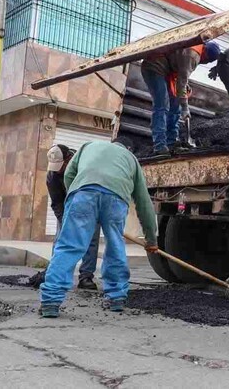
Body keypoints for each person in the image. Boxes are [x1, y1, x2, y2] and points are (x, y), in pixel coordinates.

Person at [40, 136, 158, 318]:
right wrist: (151, 239)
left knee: (69, 246)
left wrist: (76, 200)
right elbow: (144, 203)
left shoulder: (88, 146)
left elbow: (70, 174)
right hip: (116, 200)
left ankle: (51, 300)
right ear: (128, 149)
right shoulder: (131, 160)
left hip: (83, 194)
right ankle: (116, 298)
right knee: (115, 246)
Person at [140, 41, 221, 155]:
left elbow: (181, 75)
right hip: (154, 66)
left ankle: (171, 143)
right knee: (162, 105)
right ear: (206, 57)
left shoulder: (195, 49)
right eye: (207, 61)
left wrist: (183, 91)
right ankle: (160, 146)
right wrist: (185, 107)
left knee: (175, 105)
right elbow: (182, 82)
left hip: (167, 71)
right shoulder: (193, 55)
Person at [45, 144, 100, 291]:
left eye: (61, 165)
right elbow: (57, 203)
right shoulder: (52, 176)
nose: (59, 170)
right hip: (66, 207)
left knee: (91, 240)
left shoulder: (85, 166)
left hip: (89, 204)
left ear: (69, 158)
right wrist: (65, 221)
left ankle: (86, 277)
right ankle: (56, 274)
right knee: (60, 239)